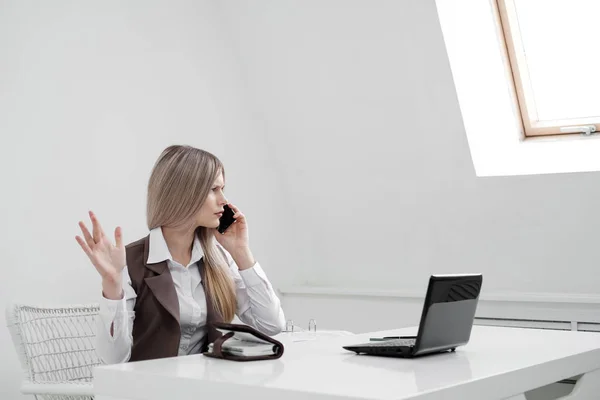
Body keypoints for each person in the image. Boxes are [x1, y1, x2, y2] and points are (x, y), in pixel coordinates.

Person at [75, 145, 286, 364]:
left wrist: (241, 252)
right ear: (184, 193)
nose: (223, 199)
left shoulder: (220, 259)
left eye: (222, 189)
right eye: (213, 189)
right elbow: (113, 359)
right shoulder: (129, 262)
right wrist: (112, 284)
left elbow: (271, 325)